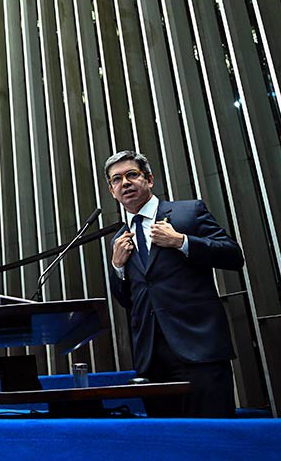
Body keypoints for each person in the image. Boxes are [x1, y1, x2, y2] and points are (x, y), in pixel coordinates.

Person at [104, 150, 244, 418]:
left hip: (199, 347)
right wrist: (117, 268)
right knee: (168, 441)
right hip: (152, 358)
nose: (125, 183)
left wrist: (182, 242)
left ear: (149, 179)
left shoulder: (188, 212)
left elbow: (233, 255)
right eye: (117, 179)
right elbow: (127, 301)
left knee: (211, 437)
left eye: (132, 175)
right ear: (112, 191)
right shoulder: (119, 239)